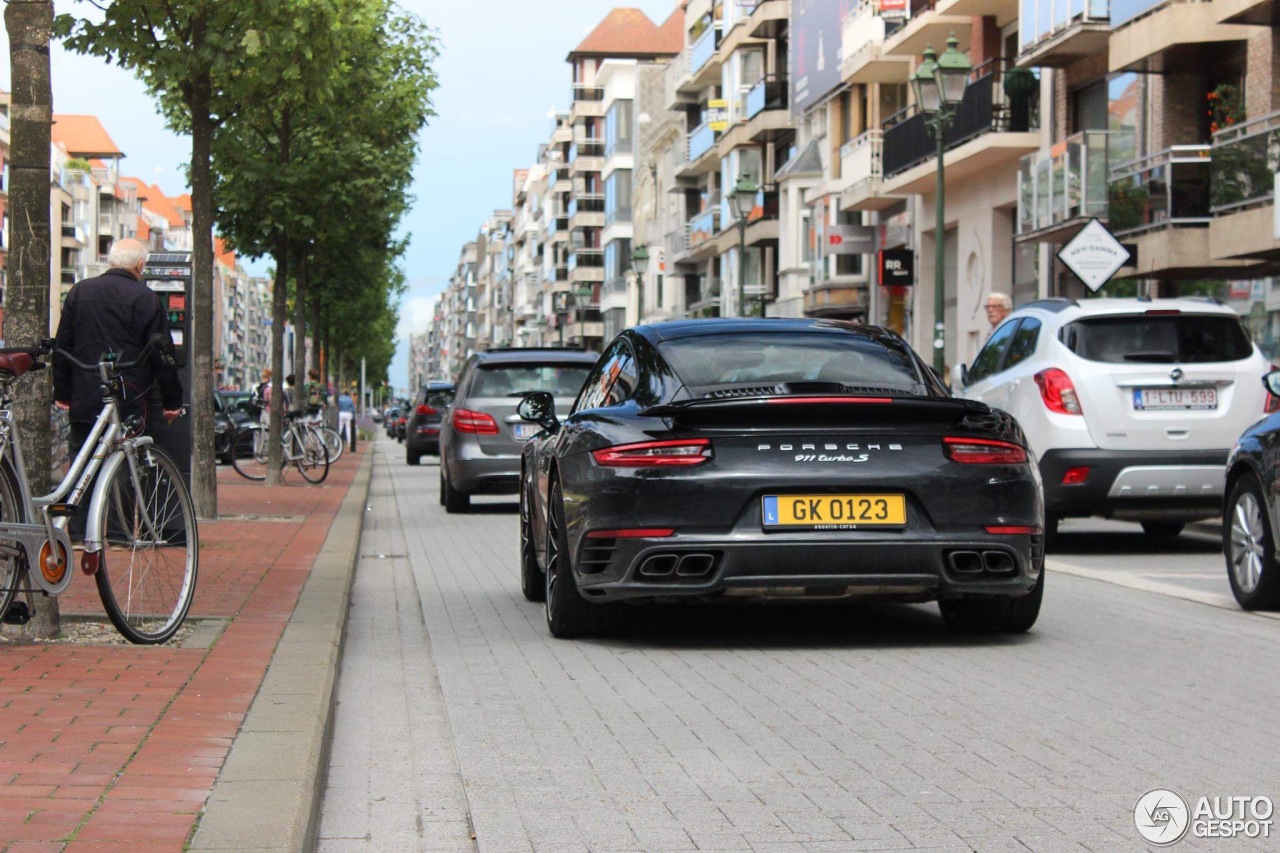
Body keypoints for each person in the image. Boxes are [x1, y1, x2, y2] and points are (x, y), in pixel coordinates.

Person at [53, 239, 183, 536]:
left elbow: (63, 345)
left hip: (85, 393)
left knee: (81, 459)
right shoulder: (146, 298)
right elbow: (163, 355)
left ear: (111, 261)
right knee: (126, 462)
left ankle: (75, 530)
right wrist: (172, 401)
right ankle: (118, 533)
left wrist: (62, 393)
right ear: (140, 266)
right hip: (129, 393)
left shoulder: (80, 292)